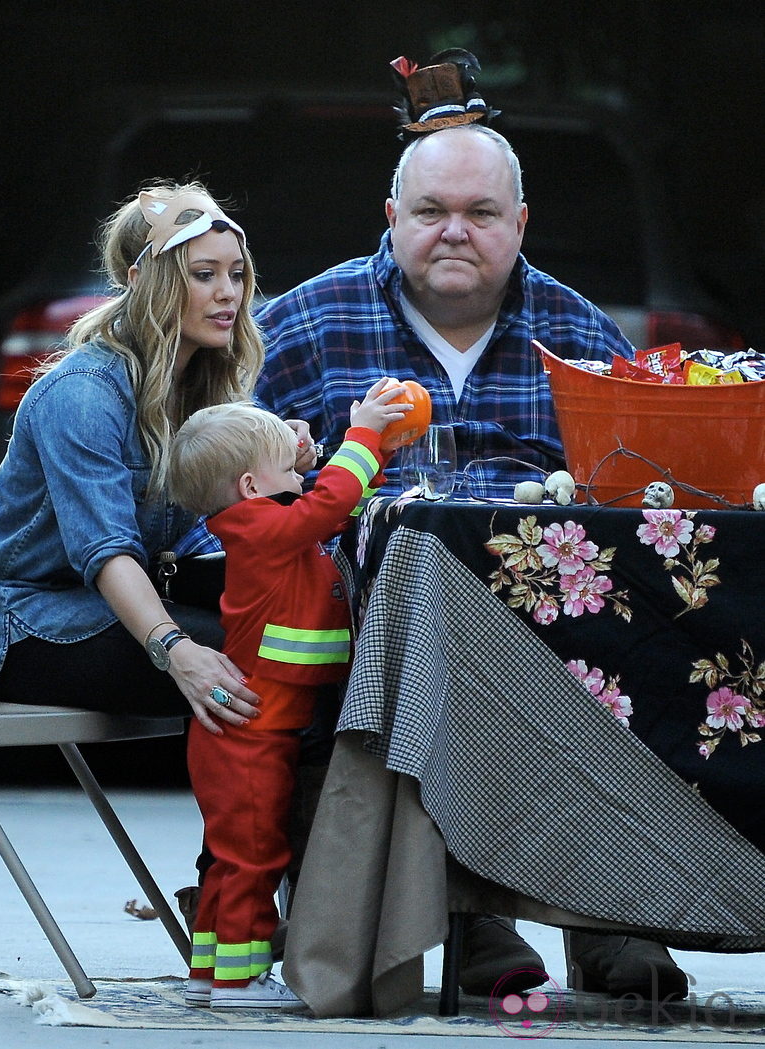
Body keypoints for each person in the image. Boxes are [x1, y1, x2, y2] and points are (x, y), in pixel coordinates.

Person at [253, 52, 688, 1001]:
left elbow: (647, 510)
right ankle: (464, 917)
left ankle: (614, 917)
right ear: (392, 218)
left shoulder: (581, 339)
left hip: (552, 646)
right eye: (431, 212)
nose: (455, 231)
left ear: (520, 224)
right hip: (365, 643)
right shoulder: (304, 324)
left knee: (655, 644)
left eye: (481, 214)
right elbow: (220, 500)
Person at [0, 180, 318, 738]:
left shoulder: (203, 383)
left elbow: (242, 511)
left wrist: (281, 457)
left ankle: (307, 823)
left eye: (237, 273)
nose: (229, 293)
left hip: (132, 595)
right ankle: (252, 825)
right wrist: (179, 652)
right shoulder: (82, 394)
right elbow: (106, 553)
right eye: (204, 275)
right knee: (262, 646)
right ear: (143, 281)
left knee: (308, 615)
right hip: (33, 625)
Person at [166, 384, 410, 1009]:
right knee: (255, 856)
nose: (303, 471)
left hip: (253, 729)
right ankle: (240, 980)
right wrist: (364, 435)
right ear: (251, 488)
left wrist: (304, 454)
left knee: (231, 857)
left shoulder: (259, 520)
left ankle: (208, 974)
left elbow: (324, 498)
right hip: (251, 734)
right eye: (285, 467)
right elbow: (326, 507)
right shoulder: (261, 526)